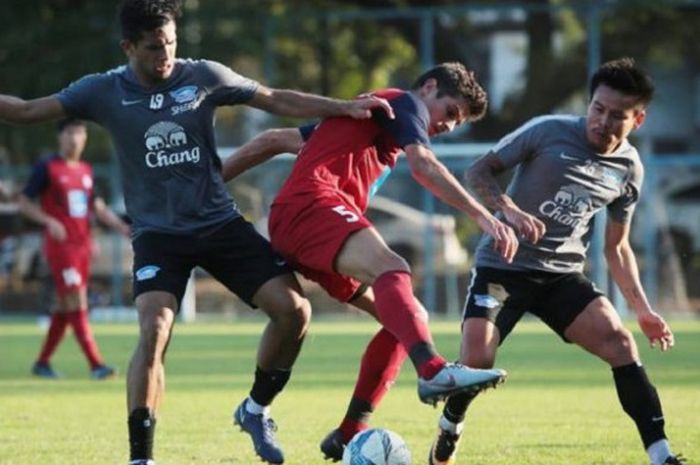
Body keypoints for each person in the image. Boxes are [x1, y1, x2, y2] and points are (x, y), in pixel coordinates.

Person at [0, 1, 411, 464]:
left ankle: (256, 409)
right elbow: (26, 109)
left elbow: (275, 98)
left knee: (294, 311)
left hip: (219, 224)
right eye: (155, 47)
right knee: (155, 330)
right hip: (159, 235)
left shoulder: (203, 76)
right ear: (128, 47)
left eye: (172, 44)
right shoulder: (101, 91)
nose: (166, 55)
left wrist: (344, 107)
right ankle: (142, 457)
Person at [222, 62, 519, 461]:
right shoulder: (402, 104)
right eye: (450, 112)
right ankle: (432, 370)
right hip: (309, 208)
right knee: (393, 267)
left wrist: (208, 184)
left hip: (306, 221)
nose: (449, 126)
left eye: (458, 122)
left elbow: (275, 139)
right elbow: (425, 166)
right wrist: (483, 215)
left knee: (407, 317)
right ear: (429, 88)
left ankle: (348, 434)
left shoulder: (369, 121)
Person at [428, 58, 685, 465]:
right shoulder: (547, 130)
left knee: (621, 344)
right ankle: (451, 425)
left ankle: (662, 454)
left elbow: (616, 248)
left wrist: (644, 310)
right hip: (502, 266)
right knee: (478, 360)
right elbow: (479, 171)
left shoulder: (628, 169)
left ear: (638, 119)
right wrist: (507, 209)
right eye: (597, 108)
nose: (601, 121)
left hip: (561, 276)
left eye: (616, 115)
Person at [18, 118, 130, 380]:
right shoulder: (47, 168)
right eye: (70, 133)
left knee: (64, 306)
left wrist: (122, 228)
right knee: (76, 301)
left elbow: (97, 208)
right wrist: (49, 220)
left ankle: (42, 362)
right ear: (60, 137)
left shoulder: (86, 170)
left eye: (80, 134)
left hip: (82, 249)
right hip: (61, 248)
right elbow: (23, 202)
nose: (75, 139)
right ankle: (96, 365)